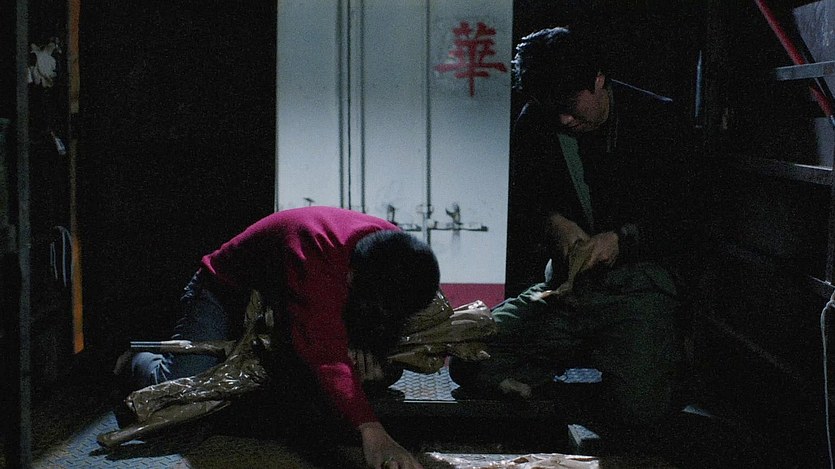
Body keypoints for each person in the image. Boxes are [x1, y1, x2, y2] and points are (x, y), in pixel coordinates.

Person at [450, 26, 698, 442]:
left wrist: (621, 240)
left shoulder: (660, 122)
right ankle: (571, 375)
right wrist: (552, 222)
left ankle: (637, 371)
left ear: (599, 80)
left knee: (643, 413)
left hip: (636, 293)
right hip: (566, 292)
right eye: (553, 109)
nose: (564, 119)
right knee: (469, 360)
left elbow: (690, 219)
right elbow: (525, 205)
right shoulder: (538, 121)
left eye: (569, 106)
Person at [118, 206, 439, 469]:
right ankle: (135, 361)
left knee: (374, 372)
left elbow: (390, 318)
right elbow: (324, 353)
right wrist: (371, 430)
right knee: (183, 391)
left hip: (281, 300)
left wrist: (374, 353)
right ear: (352, 275)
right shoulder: (314, 251)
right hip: (225, 292)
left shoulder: (396, 254)